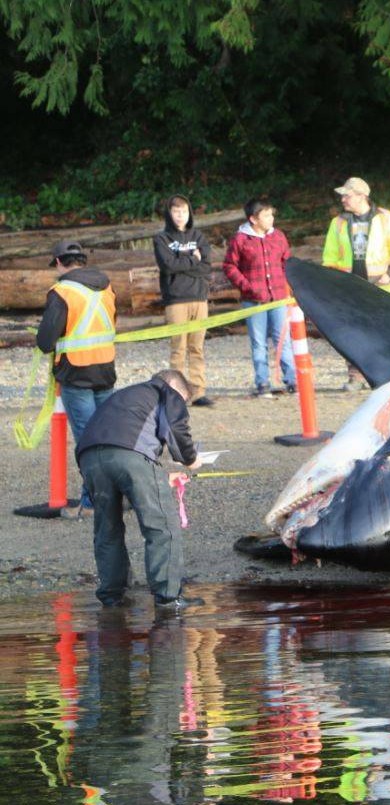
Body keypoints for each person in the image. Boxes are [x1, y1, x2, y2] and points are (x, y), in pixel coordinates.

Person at [75, 369, 202, 610]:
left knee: (107, 529)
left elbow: (122, 448)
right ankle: (168, 597)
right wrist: (191, 459)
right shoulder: (167, 391)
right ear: (177, 388)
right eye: (185, 401)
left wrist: (158, 476)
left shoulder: (125, 395)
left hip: (90, 458)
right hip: (130, 456)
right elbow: (175, 428)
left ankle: (112, 596)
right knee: (162, 526)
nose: (183, 406)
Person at [36, 240, 117, 518]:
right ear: (82, 260)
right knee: (108, 438)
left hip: (77, 374)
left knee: (88, 441)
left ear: (59, 262)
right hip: (105, 370)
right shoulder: (106, 285)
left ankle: (92, 503)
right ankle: (115, 496)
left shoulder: (62, 291)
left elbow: (46, 341)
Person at [322, 177, 390, 390]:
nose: (343, 199)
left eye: (347, 195)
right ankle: (355, 376)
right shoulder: (338, 222)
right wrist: (333, 281)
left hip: (380, 282)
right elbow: (330, 256)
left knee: (382, 330)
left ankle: (386, 374)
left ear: (362, 196)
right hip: (349, 284)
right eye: (342, 195)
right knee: (351, 332)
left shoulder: (386, 218)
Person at [222, 198, 296, 398]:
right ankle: (262, 382)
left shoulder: (278, 236)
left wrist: (288, 286)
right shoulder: (240, 239)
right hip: (253, 300)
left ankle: (292, 381)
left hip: (279, 297)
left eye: (272, 214)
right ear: (253, 219)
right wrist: (248, 287)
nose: (271, 218)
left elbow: (286, 262)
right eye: (266, 215)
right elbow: (229, 266)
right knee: (259, 343)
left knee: (283, 340)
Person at [152, 193, 215, 407]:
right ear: (169, 214)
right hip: (176, 299)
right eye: (176, 211)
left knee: (197, 347)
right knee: (178, 347)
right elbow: (168, 266)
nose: (180, 216)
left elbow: (206, 266)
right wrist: (192, 260)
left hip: (199, 297)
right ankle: (176, 393)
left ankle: (198, 392)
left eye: (184, 211)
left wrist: (184, 264)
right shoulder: (162, 239)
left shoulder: (198, 237)